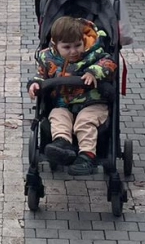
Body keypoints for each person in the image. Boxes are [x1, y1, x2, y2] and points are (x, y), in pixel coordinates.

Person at [30, 15, 118, 177]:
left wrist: (94, 72)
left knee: (84, 122)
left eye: (78, 45)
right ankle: (62, 144)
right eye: (67, 47)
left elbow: (109, 63)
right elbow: (41, 75)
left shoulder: (93, 54)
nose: (73, 51)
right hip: (64, 103)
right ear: (55, 45)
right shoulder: (48, 58)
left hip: (92, 102)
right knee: (57, 115)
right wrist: (35, 84)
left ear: (84, 40)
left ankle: (87, 156)